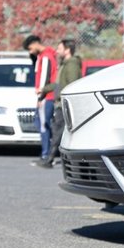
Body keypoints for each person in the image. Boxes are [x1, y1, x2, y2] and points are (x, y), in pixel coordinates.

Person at [33, 39, 82, 168]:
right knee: (58, 131)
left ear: (67, 50)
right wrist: (44, 89)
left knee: (58, 131)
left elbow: (72, 85)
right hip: (61, 103)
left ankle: (49, 159)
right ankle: (53, 158)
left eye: (60, 48)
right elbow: (58, 84)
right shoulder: (65, 64)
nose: (57, 51)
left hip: (65, 104)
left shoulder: (71, 65)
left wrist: (64, 98)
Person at [23, 34, 57, 162]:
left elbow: (45, 77)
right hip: (45, 96)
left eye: (30, 48)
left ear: (36, 43)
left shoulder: (46, 57)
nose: (30, 51)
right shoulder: (42, 57)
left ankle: (46, 154)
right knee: (41, 123)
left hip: (46, 96)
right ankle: (46, 152)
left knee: (44, 125)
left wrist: (40, 96)